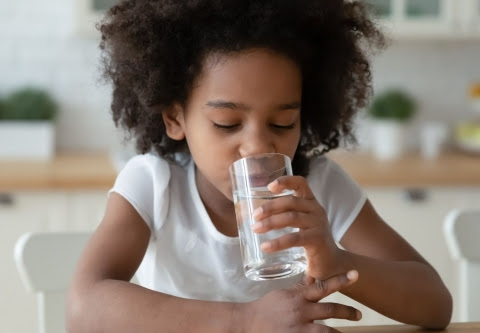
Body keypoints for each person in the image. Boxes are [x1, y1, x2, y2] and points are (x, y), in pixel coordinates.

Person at [66, 1, 452, 332]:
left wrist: (336, 259)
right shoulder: (153, 185)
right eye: (227, 124)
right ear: (175, 118)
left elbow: (436, 304)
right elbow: (83, 307)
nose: (257, 146)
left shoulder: (318, 186)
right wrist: (242, 321)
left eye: (283, 123)